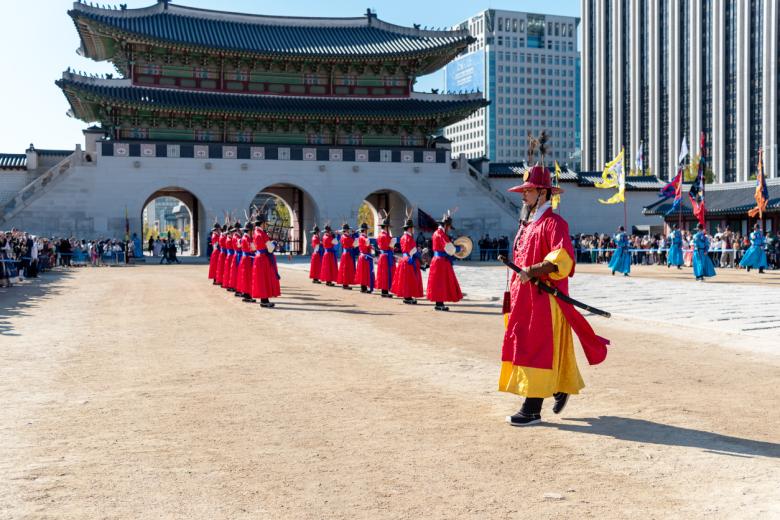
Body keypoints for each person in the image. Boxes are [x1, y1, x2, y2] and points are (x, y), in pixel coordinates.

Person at [500, 164, 609, 426]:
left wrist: (534, 270)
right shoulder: (528, 224)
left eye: (528, 190)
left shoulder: (554, 223)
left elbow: (562, 258)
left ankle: (532, 408)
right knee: (527, 344)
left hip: (543, 298)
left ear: (543, 193)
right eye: (523, 191)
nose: (523, 195)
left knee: (537, 348)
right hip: (524, 296)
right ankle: (558, 387)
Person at [425, 212, 463, 311]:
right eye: (449, 227)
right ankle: (440, 304)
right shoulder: (441, 234)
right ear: (446, 226)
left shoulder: (436, 233)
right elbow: (450, 250)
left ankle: (439, 303)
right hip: (441, 262)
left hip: (437, 260)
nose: (450, 229)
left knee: (438, 282)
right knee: (441, 282)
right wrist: (458, 249)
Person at [391, 217, 424, 305]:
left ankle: (407, 296)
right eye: (412, 228)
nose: (413, 229)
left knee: (406, 280)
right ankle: (408, 297)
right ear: (410, 228)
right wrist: (420, 252)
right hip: (409, 260)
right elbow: (412, 251)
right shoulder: (409, 238)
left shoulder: (403, 237)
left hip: (405, 259)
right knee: (409, 280)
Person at [251, 215, 281, 308]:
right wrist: (274, 243)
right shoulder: (263, 234)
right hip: (263, 259)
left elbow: (253, 247)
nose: (266, 225)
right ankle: (264, 301)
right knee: (265, 279)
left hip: (258, 257)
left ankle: (264, 300)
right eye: (265, 223)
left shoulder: (254, 233)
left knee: (261, 280)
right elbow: (270, 249)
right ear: (262, 223)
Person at [375, 214, 396, 298]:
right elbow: (390, 246)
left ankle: (384, 291)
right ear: (386, 227)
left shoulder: (380, 235)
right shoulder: (386, 236)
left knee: (383, 273)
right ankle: (385, 291)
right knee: (386, 273)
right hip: (386, 256)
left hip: (382, 255)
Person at [354, 223, 375, 293]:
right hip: (365, 256)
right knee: (365, 272)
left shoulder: (361, 237)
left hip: (363, 256)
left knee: (363, 272)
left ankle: (363, 287)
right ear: (365, 230)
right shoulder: (365, 238)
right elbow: (367, 245)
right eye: (366, 230)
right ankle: (364, 287)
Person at [236, 222, 255, 302]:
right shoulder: (246, 238)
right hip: (247, 259)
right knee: (247, 277)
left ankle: (246, 294)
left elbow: (239, 246)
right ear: (250, 231)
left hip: (245, 258)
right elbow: (253, 248)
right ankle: (247, 295)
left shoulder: (244, 237)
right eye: (252, 231)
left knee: (245, 277)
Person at [337, 223, 358, 290]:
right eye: (348, 230)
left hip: (345, 253)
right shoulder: (346, 237)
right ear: (346, 230)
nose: (349, 231)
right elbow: (354, 244)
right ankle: (345, 284)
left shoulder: (343, 236)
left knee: (345, 269)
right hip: (347, 254)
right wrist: (355, 235)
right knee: (346, 269)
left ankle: (345, 283)